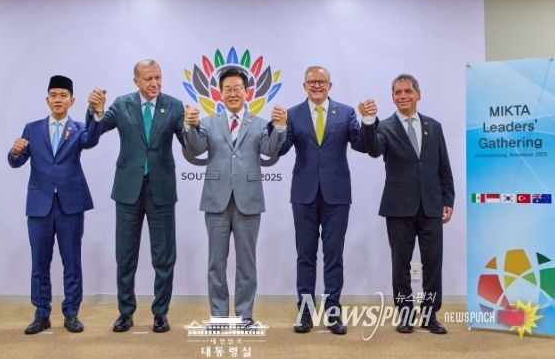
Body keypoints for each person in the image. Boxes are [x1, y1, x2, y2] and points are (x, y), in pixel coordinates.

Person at [183, 66, 287, 325]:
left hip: (248, 202)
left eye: (237, 89)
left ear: (247, 92)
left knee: (247, 263)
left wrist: (280, 127)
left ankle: (244, 315)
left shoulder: (260, 124)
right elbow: (195, 149)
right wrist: (190, 126)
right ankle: (218, 316)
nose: (232, 93)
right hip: (215, 201)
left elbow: (270, 151)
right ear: (220, 93)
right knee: (216, 263)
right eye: (227, 89)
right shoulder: (207, 122)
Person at [87, 59, 185, 333]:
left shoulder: (174, 106)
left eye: (158, 77)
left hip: (161, 190)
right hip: (127, 190)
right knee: (125, 256)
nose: (154, 83)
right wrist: (95, 111)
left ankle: (160, 313)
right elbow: (93, 136)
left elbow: (190, 144)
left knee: (164, 257)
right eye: (148, 79)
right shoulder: (121, 105)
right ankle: (125, 312)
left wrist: (191, 127)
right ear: (136, 81)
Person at [8, 75, 105, 334]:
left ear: (72, 101)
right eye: (54, 95)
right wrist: (15, 151)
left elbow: (92, 140)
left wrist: (97, 113)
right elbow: (17, 161)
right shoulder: (32, 128)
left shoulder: (79, 129)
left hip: (70, 205)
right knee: (39, 263)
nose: (58, 99)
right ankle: (41, 314)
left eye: (63, 95)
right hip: (39, 205)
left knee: (72, 262)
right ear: (47, 100)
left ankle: (71, 313)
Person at [278, 65, 370, 335]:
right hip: (303, 195)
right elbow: (281, 149)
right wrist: (279, 126)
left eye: (321, 81)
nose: (317, 86)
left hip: (337, 196)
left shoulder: (346, 113)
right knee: (305, 257)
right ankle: (305, 313)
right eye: (312, 82)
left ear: (330, 85)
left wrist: (367, 121)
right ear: (304, 85)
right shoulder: (293, 114)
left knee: (334, 256)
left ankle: (333, 313)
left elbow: (361, 145)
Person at [359, 74, 454, 335]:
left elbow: (443, 165)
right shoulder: (384, 127)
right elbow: (373, 149)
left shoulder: (434, 126)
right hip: (398, 207)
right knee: (400, 264)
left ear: (418, 94)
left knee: (433, 263)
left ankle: (430, 314)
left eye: (408, 91)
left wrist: (448, 199)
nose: (403, 96)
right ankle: (405, 314)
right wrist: (368, 121)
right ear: (392, 98)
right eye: (398, 92)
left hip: (432, 206)